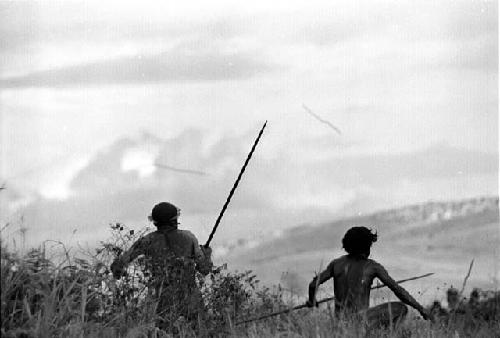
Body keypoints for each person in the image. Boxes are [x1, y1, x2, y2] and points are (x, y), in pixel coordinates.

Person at [110, 202, 213, 329]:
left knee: (164, 332)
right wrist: (207, 255)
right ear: (175, 220)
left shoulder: (147, 240)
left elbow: (118, 266)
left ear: (155, 222)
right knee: (200, 331)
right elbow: (204, 269)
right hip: (190, 296)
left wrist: (117, 272)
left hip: (163, 298)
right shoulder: (189, 238)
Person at [306, 226, 431, 329]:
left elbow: (313, 285)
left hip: (339, 324)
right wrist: (421, 309)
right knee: (401, 308)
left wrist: (312, 301)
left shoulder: (336, 264)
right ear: (366, 246)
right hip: (360, 322)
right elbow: (397, 290)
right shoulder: (372, 267)